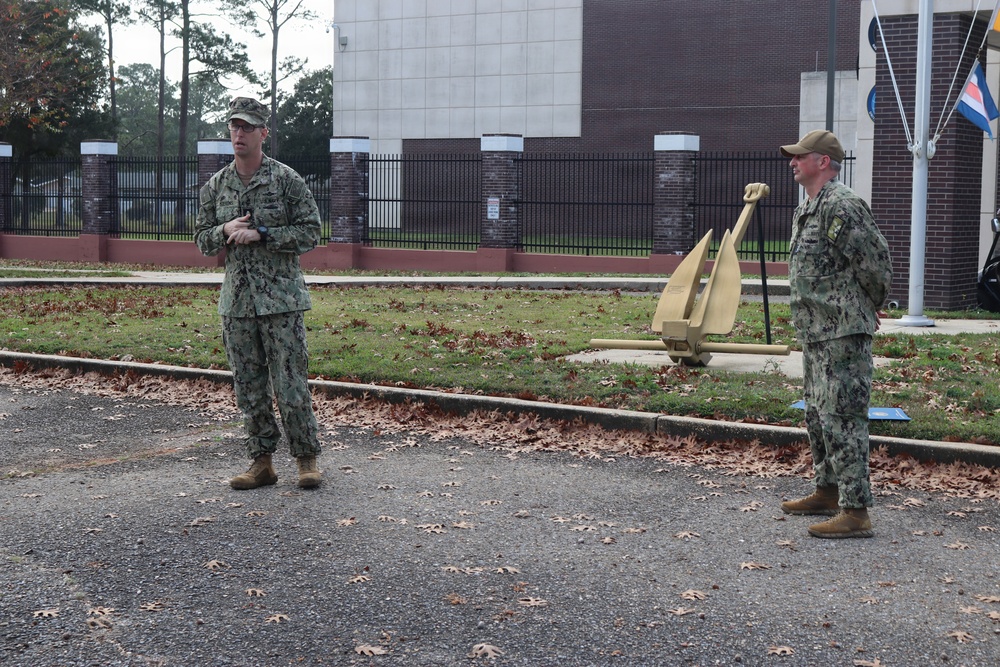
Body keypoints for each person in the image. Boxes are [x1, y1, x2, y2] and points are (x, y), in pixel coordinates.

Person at [194, 96, 323, 491]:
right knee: (248, 385)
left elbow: (311, 231)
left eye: (248, 127)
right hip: (237, 303)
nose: (239, 133)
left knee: (290, 383)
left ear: (263, 133)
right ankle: (261, 462)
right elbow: (201, 239)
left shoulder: (286, 180)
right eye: (234, 126)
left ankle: (306, 460)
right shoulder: (216, 186)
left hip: (281, 301)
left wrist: (263, 233)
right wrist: (225, 230)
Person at [778, 130, 893, 538]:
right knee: (817, 415)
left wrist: (869, 304)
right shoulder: (807, 208)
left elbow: (875, 263)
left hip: (842, 331)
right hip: (816, 330)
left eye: (800, 156)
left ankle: (855, 511)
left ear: (822, 161)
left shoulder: (842, 206)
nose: (792, 162)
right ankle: (827, 490)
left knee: (843, 417)